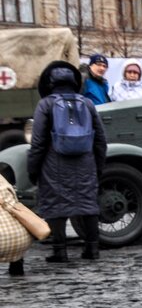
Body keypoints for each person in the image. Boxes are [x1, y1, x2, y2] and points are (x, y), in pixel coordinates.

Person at [26, 61, 108, 262]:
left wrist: (33, 169)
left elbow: (37, 142)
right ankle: (92, 250)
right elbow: (101, 140)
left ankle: (59, 252)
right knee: (88, 205)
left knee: (56, 206)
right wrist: (98, 166)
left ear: (49, 83)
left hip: (54, 164)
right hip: (85, 162)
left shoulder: (45, 104)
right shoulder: (87, 103)